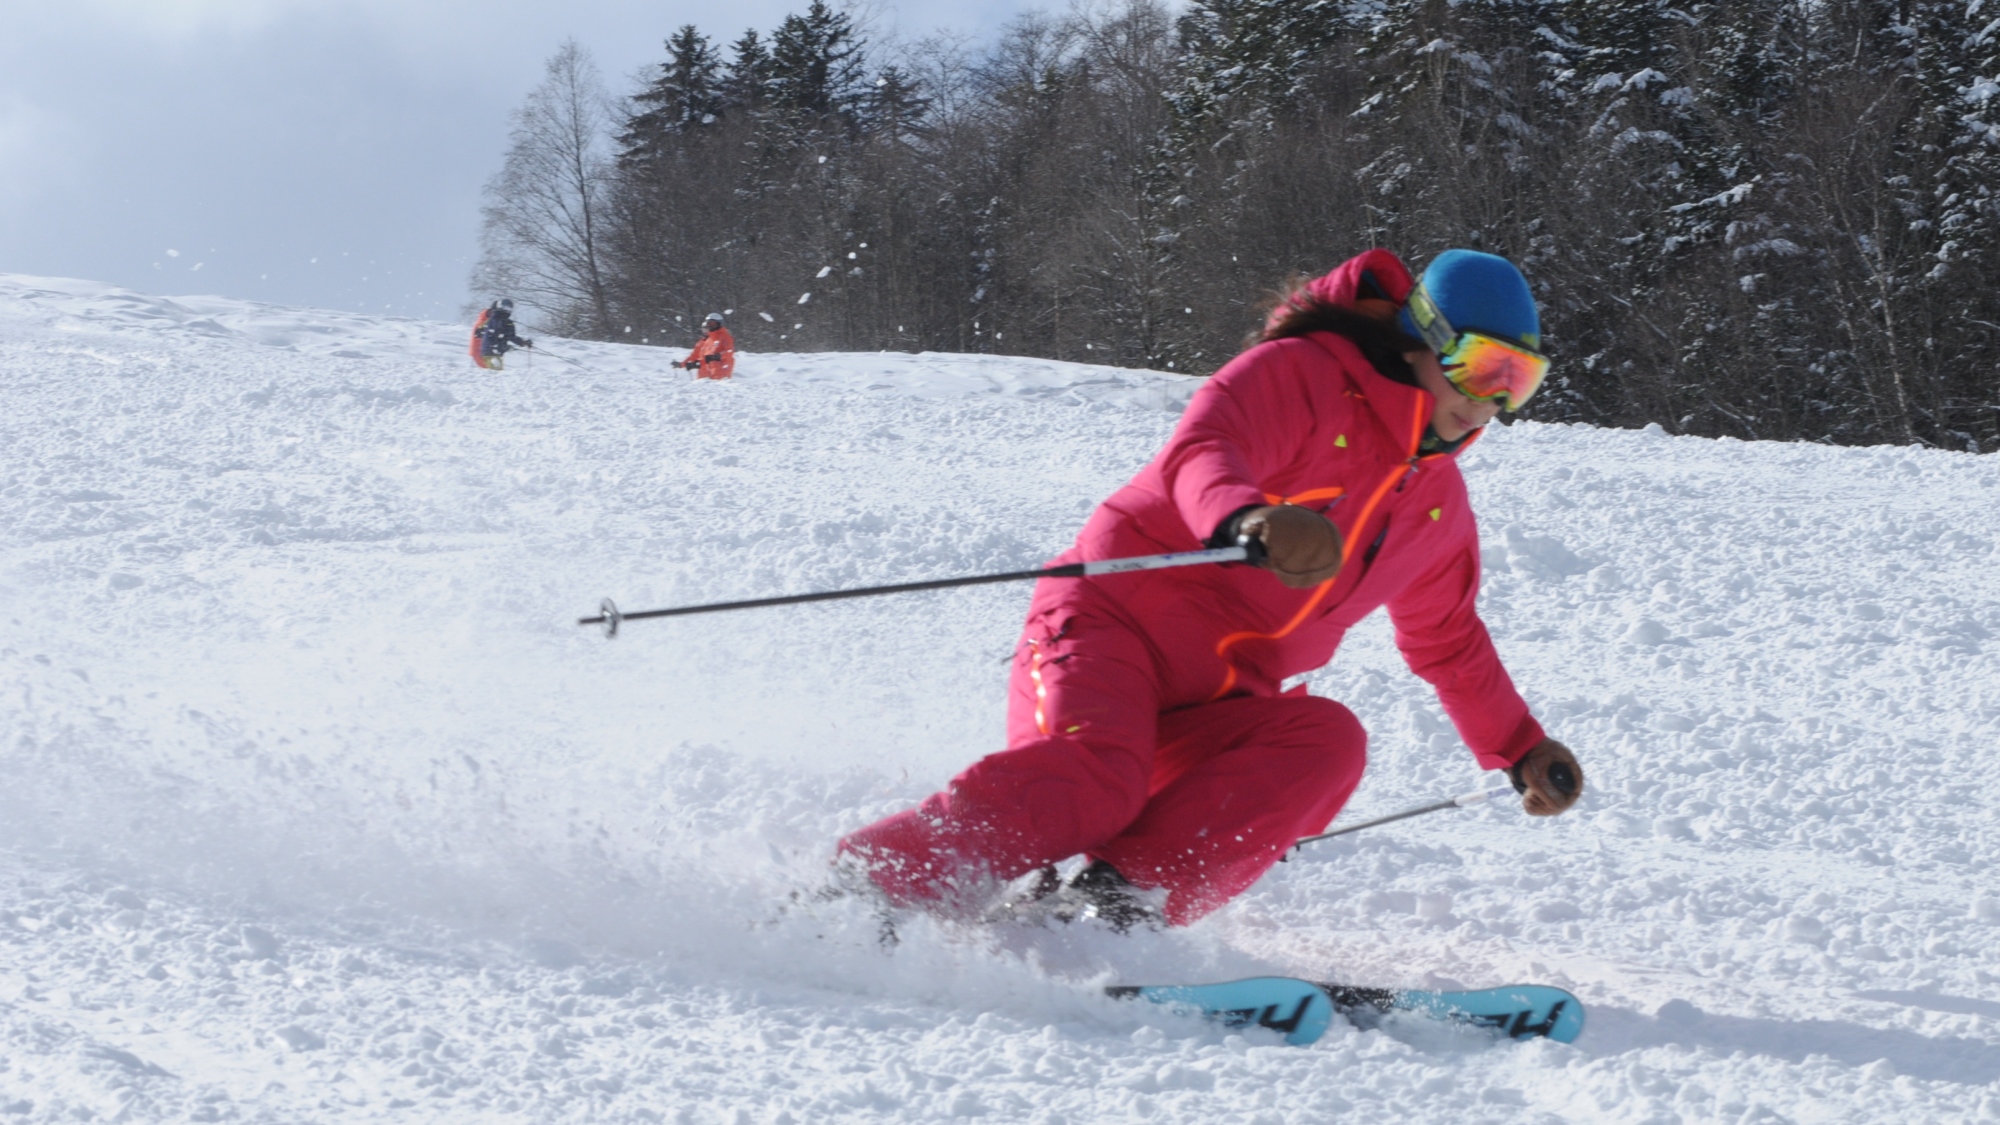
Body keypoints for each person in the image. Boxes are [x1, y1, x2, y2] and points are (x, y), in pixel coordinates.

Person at [835, 248, 1585, 930]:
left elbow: (1446, 639)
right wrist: (1243, 517)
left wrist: (1518, 747)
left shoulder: (1436, 505)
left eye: (1517, 382)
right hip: (1108, 631)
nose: (1489, 402)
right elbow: (1205, 445)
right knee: (1097, 781)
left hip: (1221, 703)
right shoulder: (1307, 374)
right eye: (1483, 367)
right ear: (1424, 335)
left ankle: (1115, 907)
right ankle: (873, 887)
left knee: (1327, 743)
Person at [470, 298, 533, 371]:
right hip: (491, 351)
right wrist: (504, 346)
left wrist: (523, 342)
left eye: (509, 308)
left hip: (496, 353)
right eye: (505, 307)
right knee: (496, 375)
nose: (507, 310)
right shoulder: (495, 319)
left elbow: (511, 336)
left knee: (496, 374)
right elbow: (496, 333)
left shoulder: (505, 322)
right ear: (500, 306)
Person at [679, 313, 735, 379]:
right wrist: (695, 364)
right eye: (708, 323)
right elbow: (705, 358)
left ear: (719, 323)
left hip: (721, 375)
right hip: (706, 377)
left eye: (712, 323)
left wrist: (718, 356)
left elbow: (729, 352)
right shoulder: (709, 340)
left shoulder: (725, 337)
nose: (709, 326)